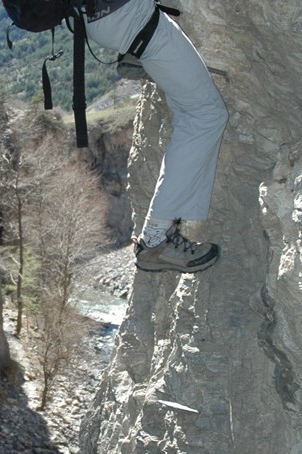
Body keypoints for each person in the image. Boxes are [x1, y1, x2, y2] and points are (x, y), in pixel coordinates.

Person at [84, 0, 228, 273]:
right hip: (130, 16)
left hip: (102, 17)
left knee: (199, 114)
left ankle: (138, 54)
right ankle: (156, 238)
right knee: (205, 115)